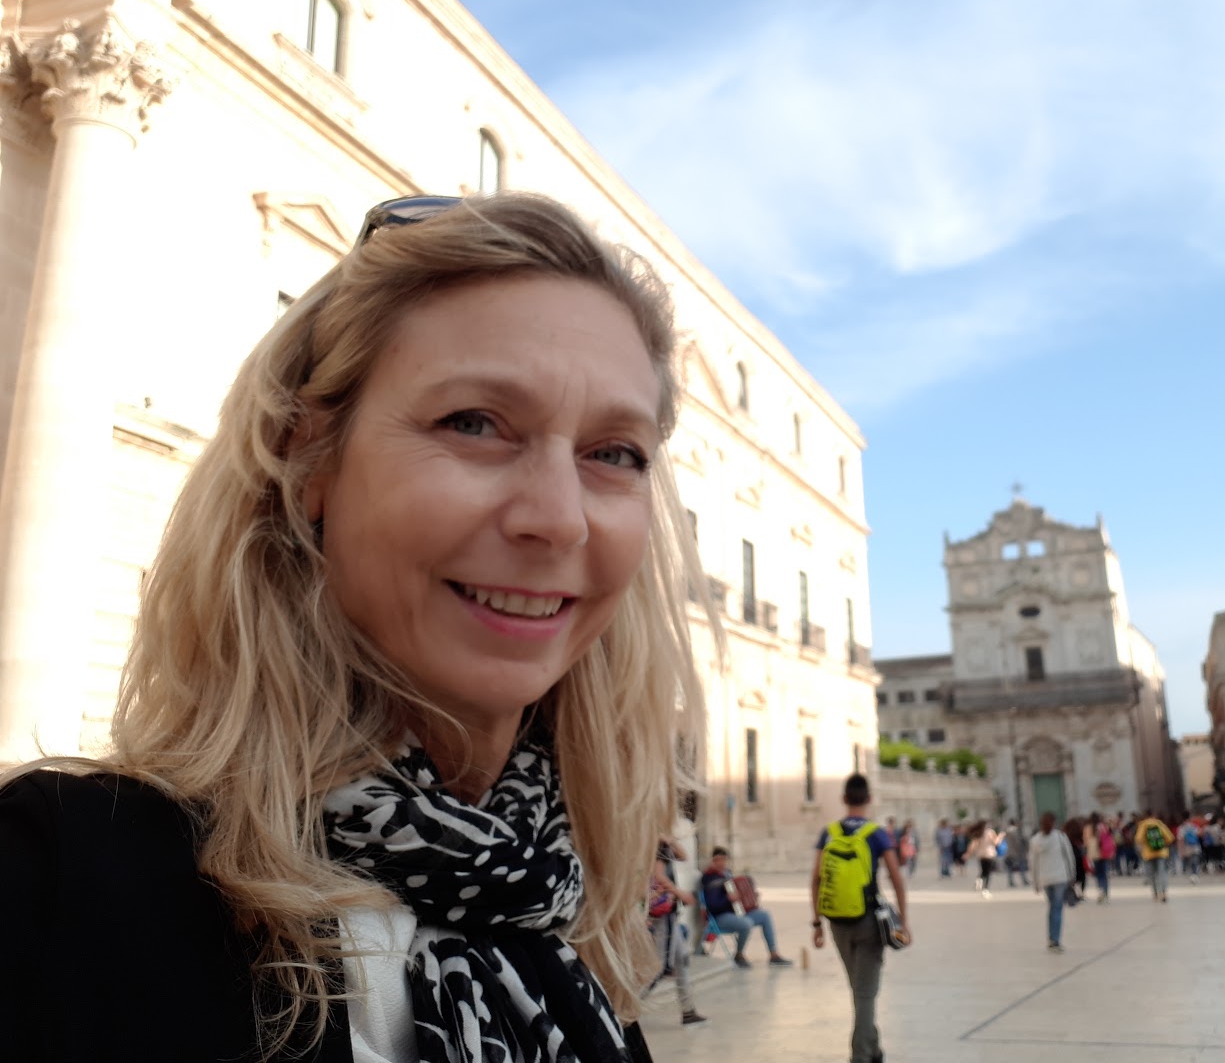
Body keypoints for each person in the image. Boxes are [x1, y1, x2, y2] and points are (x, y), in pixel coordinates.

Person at [0, 192, 702, 1062]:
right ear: (308, 460)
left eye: (614, 453)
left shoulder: (561, 935)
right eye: (474, 423)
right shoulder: (53, 883)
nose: (559, 520)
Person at [810, 773, 910, 1063]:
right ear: (869, 799)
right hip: (869, 922)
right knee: (865, 993)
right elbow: (896, 879)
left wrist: (816, 923)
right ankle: (861, 1056)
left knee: (859, 989)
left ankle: (874, 1049)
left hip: (836, 922)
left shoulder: (828, 832)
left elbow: (815, 880)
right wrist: (904, 921)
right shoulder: (877, 833)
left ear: (843, 799)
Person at [699, 848, 794, 968]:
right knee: (746, 923)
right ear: (713, 861)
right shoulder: (709, 878)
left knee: (765, 916)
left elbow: (738, 896)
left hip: (736, 913)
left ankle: (773, 954)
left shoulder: (728, 874)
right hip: (719, 917)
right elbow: (712, 906)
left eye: (724, 859)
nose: (721, 863)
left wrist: (751, 896)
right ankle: (739, 954)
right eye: (718, 860)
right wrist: (728, 900)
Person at [648, 837, 707, 1026]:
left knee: (681, 959)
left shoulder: (662, 843)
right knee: (660, 968)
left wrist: (669, 839)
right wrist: (680, 893)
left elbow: (683, 856)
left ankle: (688, 1010)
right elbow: (658, 875)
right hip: (662, 914)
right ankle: (622, 1010)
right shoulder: (655, 844)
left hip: (668, 913)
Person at [1031, 812, 1078, 952]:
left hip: (1045, 879)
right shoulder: (1060, 837)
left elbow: (1033, 863)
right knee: (1057, 908)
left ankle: (1051, 938)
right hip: (1060, 877)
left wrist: (1035, 882)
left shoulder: (1035, 840)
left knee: (1052, 908)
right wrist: (1072, 875)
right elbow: (1069, 857)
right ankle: (1055, 940)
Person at [1134, 810, 1176, 903]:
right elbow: (1170, 837)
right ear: (1154, 815)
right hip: (1161, 852)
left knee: (1152, 874)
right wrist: (1163, 844)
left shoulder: (1143, 824)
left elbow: (1138, 839)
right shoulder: (1159, 823)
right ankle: (1164, 892)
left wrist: (1146, 845)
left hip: (1148, 853)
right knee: (1162, 872)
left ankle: (1155, 894)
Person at [966, 820, 1005, 897]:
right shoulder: (990, 832)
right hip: (989, 854)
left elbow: (973, 844)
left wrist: (968, 853)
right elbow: (996, 843)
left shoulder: (979, 833)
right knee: (988, 873)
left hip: (981, 855)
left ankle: (979, 879)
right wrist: (1001, 836)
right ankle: (985, 889)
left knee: (983, 870)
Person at [1085, 812, 1113, 903]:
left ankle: (1100, 891)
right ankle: (1106, 893)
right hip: (1104, 853)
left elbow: (1085, 842)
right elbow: (1109, 838)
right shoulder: (1103, 826)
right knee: (1104, 873)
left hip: (1094, 854)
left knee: (1098, 874)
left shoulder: (1088, 828)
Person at [1005, 818, 1030, 887]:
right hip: (1017, 852)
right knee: (1021, 865)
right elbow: (1017, 842)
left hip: (1009, 851)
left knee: (1010, 867)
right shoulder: (1015, 831)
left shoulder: (1007, 831)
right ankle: (1024, 879)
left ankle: (1011, 881)